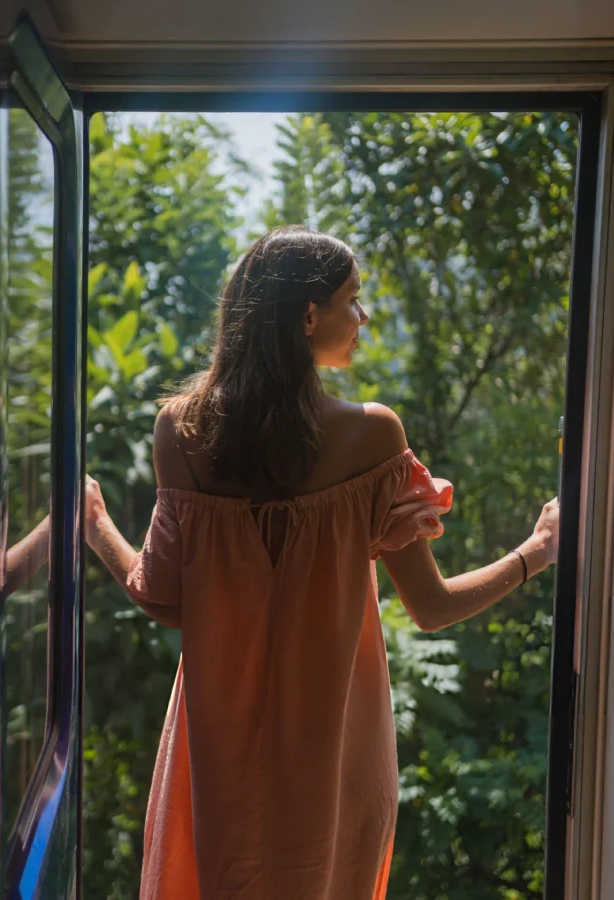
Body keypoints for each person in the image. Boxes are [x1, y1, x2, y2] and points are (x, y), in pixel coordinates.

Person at [85, 226, 560, 900]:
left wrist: (97, 524)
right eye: (353, 300)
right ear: (310, 315)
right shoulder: (373, 434)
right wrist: (536, 552)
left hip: (216, 751)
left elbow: (160, 597)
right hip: (337, 751)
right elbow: (433, 607)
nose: (361, 318)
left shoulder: (181, 431)